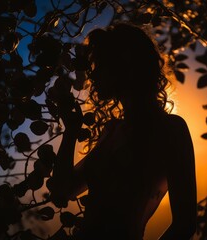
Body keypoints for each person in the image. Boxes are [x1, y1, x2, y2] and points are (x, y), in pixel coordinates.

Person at [51, 22, 197, 240]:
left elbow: (184, 225)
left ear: (125, 65)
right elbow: (63, 191)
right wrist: (71, 130)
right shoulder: (112, 130)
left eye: (101, 64)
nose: (95, 74)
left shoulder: (171, 129)